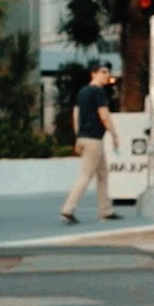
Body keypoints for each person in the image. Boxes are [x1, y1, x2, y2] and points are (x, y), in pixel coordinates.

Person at [61, 62, 121, 224]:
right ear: (93, 74)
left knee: (102, 173)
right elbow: (104, 115)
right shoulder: (98, 92)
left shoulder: (82, 92)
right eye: (103, 72)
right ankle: (68, 209)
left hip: (85, 138)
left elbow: (76, 114)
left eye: (107, 72)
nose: (106, 75)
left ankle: (106, 210)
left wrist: (78, 136)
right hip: (94, 139)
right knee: (86, 175)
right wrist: (114, 135)